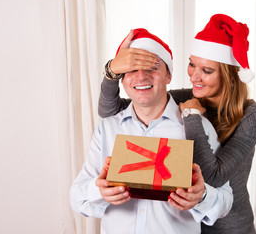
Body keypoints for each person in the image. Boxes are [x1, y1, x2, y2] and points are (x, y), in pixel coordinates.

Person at [97, 14, 256, 234]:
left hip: (229, 227)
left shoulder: (252, 115)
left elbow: (213, 176)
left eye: (206, 71)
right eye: (191, 64)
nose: (194, 76)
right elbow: (110, 111)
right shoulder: (185, 96)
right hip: (188, 222)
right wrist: (112, 70)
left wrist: (192, 116)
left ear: (230, 76)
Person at [70, 28, 233, 234]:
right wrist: (99, 190)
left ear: (168, 75)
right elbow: (76, 198)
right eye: (132, 69)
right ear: (122, 79)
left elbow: (226, 200)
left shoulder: (197, 127)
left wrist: (202, 196)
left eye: (152, 67)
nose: (141, 77)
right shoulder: (108, 128)